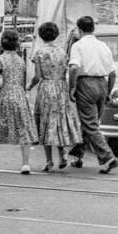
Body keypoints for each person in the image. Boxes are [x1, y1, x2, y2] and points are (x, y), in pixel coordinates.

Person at [27, 21, 83, 172]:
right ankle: (63, 154)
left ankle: (49, 161)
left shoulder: (39, 52)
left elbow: (37, 76)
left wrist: (30, 86)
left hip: (46, 88)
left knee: (45, 123)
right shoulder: (63, 52)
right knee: (60, 121)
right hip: (60, 88)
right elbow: (67, 70)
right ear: (55, 34)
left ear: (41, 35)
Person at [67, 16, 118, 174]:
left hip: (86, 84)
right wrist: (109, 91)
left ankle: (108, 157)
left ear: (79, 29)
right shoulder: (104, 46)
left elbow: (74, 68)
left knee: (90, 125)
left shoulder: (78, 46)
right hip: (102, 84)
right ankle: (77, 155)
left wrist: (72, 86)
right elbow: (112, 73)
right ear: (93, 28)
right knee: (90, 123)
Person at [0, 30, 38, 174]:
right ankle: (25, 164)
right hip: (19, 95)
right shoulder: (20, 60)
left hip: (4, 95)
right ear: (16, 44)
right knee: (24, 128)